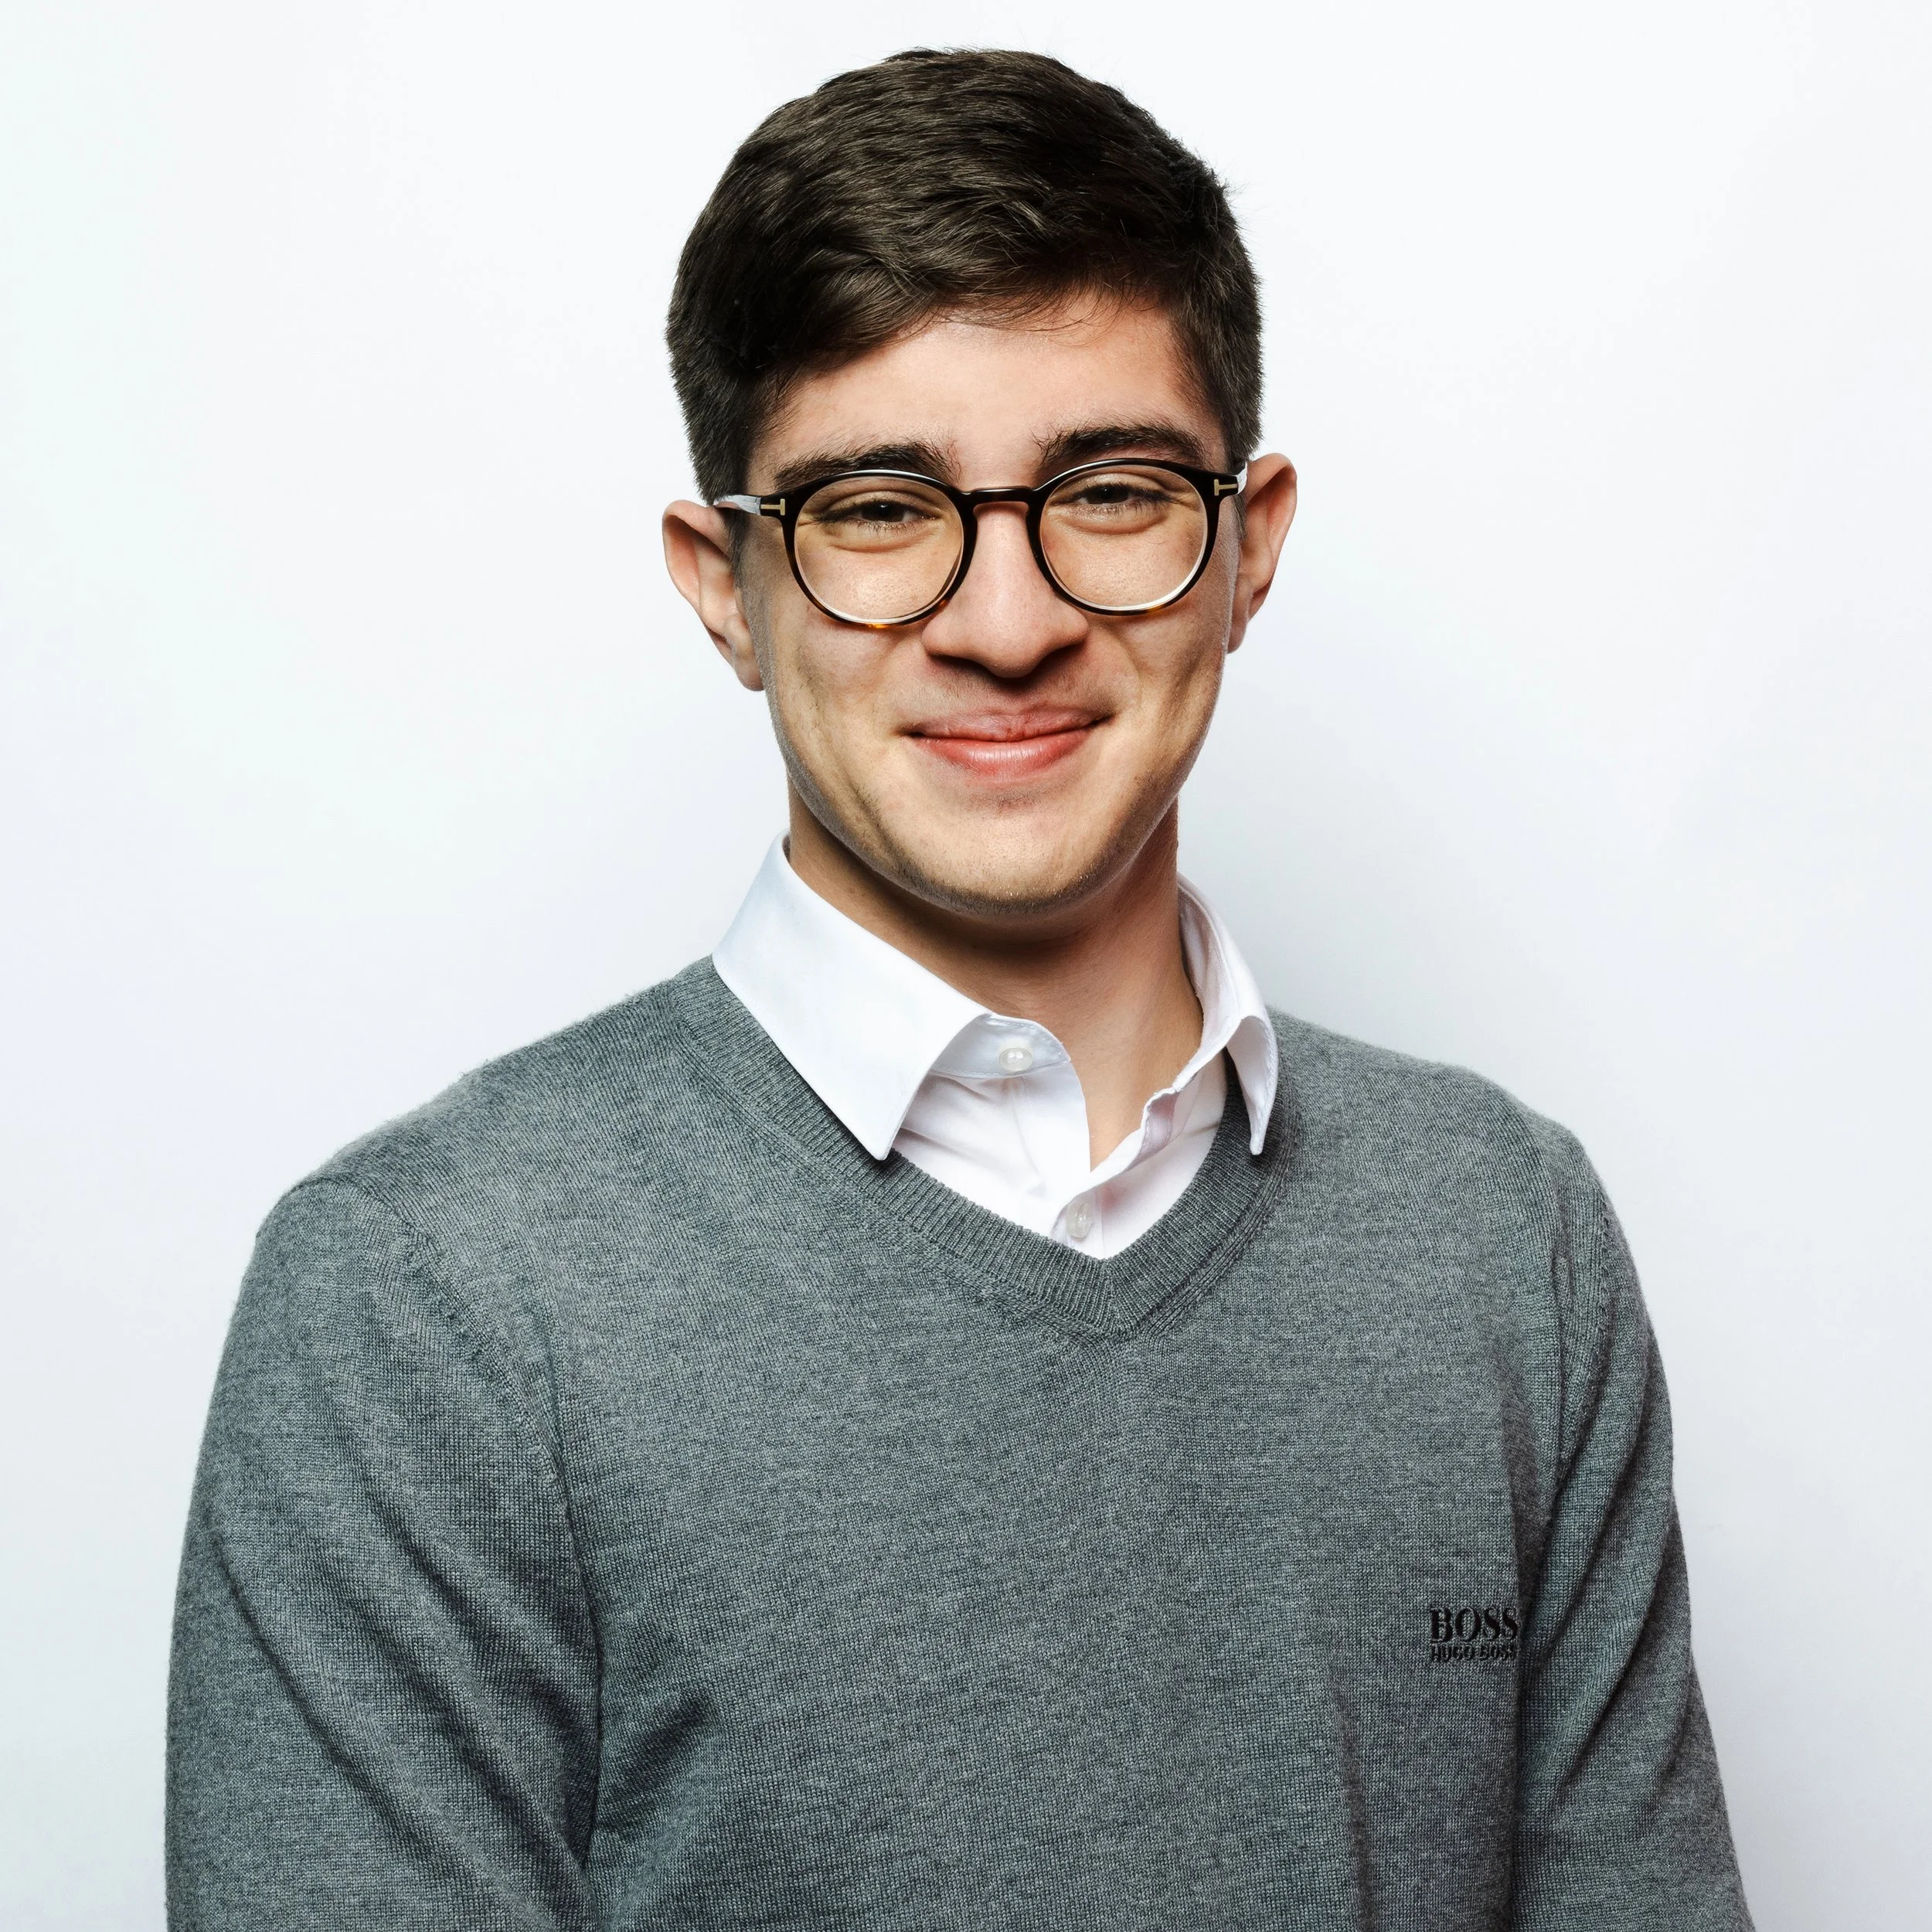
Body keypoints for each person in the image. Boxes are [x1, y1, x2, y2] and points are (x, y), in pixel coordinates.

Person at [167, 47, 1754, 1931]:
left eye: (1111, 489)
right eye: (875, 510)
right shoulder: (422, 1305)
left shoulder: (1501, 1234)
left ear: (1246, 548)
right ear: (722, 583)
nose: (1008, 624)